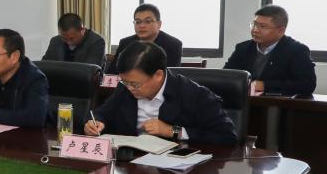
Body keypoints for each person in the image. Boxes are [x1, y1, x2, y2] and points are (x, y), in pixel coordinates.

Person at [86, 41, 236, 145]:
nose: (129, 88)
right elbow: (103, 113)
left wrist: (173, 131)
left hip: (175, 171)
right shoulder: (125, 88)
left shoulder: (194, 94)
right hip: (131, 164)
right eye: (125, 82)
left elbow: (227, 135)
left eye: (135, 84)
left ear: (158, 75)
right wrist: (96, 123)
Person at [224, 5, 316, 95]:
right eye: (254, 25)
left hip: (277, 103)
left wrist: (265, 85)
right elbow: (224, 77)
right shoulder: (243, 48)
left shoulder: (297, 50)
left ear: (281, 30)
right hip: (243, 102)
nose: (255, 30)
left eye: (263, 26)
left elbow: (307, 85)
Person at [108, 3, 182, 72]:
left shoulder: (173, 45)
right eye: (138, 22)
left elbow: (170, 76)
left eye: (148, 21)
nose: (142, 26)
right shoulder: (125, 43)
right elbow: (112, 72)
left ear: (159, 24)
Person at [42, 13, 106, 67]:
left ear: (82, 30)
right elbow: (44, 65)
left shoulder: (97, 42)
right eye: (64, 38)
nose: (68, 42)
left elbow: (91, 71)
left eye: (72, 38)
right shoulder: (55, 41)